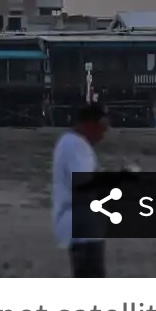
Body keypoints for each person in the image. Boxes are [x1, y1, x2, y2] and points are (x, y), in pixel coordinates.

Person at [51, 104, 110, 277]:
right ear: (91, 125)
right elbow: (83, 186)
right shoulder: (76, 146)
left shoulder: (71, 143)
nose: (102, 136)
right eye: (102, 130)